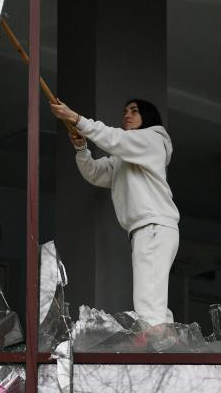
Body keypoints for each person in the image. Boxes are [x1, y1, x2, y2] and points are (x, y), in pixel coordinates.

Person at [50, 97, 179, 327]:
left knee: (148, 303)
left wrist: (76, 119)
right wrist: (81, 149)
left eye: (134, 111)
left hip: (153, 226)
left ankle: (153, 356)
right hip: (150, 228)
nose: (127, 115)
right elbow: (95, 173)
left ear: (147, 117)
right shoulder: (127, 155)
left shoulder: (152, 140)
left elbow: (114, 138)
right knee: (153, 301)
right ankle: (166, 348)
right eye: (125, 111)